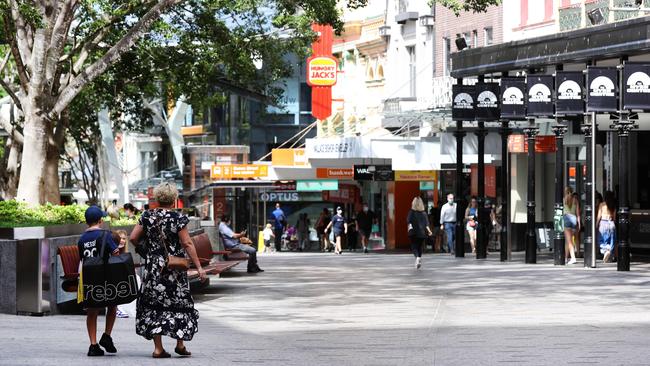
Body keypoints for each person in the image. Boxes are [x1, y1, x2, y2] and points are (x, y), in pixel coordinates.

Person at [129, 182, 207, 358]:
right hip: (174, 267)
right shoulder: (177, 218)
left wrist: (147, 252)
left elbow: (133, 237)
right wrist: (199, 267)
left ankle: (158, 348)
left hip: (153, 267)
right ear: (174, 199)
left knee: (155, 303)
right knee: (178, 301)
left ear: (157, 198)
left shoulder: (146, 216)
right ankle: (180, 344)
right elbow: (187, 243)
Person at [77, 206, 120, 357]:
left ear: (86, 222)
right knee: (113, 305)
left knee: (92, 312)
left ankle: (93, 344)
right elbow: (115, 252)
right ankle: (107, 336)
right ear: (100, 220)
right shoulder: (105, 234)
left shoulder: (82, 239)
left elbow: (82, 258)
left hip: (89, 278)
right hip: (106, 277)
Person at [407, 197, 432, 269]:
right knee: (419, 246)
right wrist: (429, 231)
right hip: (422, 233)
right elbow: (427, 223)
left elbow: (408, 221)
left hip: (413, 232)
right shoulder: (424, 213)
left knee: (414, 246)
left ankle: (417, 257)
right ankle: (419, 257)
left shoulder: (411, 212)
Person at [113, 230, 132, 319]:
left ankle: (129, 308)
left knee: (136, 278)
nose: (122, 240)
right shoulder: (112, 251)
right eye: (119, 238)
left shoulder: (125, 253)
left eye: (124, 238)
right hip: (113, 276)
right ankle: (119, 308)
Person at [597, 191, 617, 263]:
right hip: (611, 223)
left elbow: (599, 216)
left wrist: (597, 224)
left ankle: (605, 251)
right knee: (611, 240)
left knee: (602, 239)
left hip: (603, 223)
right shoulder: (613, 205)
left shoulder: (602, 205)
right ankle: (609, 252)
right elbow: (614, 218)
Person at [564, 187, 581, 265]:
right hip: (574, 219)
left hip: (566, 218)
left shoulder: (564, 199)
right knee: (569, 240)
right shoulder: (575, 200)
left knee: (569, 241)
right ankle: (566, 258)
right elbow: (578, 213)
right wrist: (579, 223)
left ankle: (573, 258)